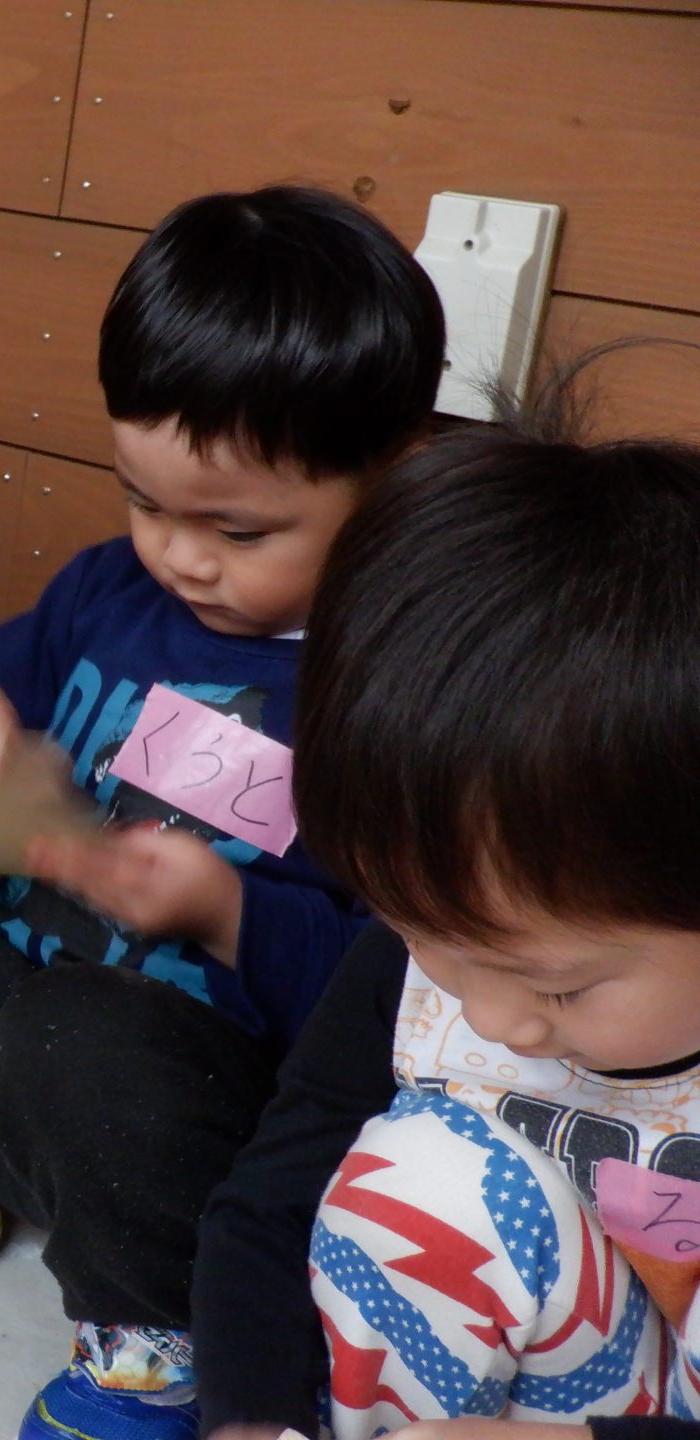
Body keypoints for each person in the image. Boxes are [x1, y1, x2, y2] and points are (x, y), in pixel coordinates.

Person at [0, 186, 446, 1440]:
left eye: (239, 528)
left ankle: (157, 1323)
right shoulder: (109, 593)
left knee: (86, 1039)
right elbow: (0, 700)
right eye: (145, 502)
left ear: (393, 479)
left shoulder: (408, 697)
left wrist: (224, 909)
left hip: (188, 1115)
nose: (181, 556)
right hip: (10, 1031)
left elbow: (405, 1003)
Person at [194, 375, 700, 1440]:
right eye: (428, 939)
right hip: (568, 1362)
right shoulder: (441, 943)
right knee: (418, 1183)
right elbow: (270, 1203)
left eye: (561, 987)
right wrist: (252, 1420)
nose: (490, 1019)